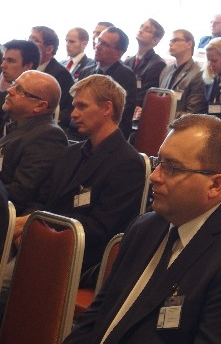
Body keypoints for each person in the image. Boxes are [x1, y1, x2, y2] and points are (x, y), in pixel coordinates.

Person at [64, 115, 221, 344]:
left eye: (171, 168)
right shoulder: (145, 227)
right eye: (158, 162)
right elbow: (96, 318)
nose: (154, 176)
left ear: (215, 185)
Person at [11, 74, 146, 287]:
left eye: (82, 106)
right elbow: (43, 197)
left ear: (107, 108)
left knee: (6, 284)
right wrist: (29, 226)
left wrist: (37, 224)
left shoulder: (127, 163)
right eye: (74, 106)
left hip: (81, 259)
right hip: (44, 243)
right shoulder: (71, 153)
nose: (73, 114)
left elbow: (101, 228)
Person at [0, 70, 68, 216]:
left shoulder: (49, 136)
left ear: (40, 106)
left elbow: (20, 193)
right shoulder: (19, 126)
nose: (10, 90)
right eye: (13, 84)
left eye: (19, 89)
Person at [79, 27, 137, 139]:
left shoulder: (126, 76)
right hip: (79, 129)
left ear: (118, 53)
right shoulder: (86, 71)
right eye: (98, 41)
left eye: (104, 44)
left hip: (106, 136)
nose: (97, 46)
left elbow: (122, 117)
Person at [29, 25, 74, 127]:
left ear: (49, 49)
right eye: (29, 38)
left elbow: (63, 112)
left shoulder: (61, 74)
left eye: (35, 40)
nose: (29, 44)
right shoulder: (25, 66)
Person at [157, 29, 207, 116]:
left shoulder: (198, 74)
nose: (170, 44)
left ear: (189, 44)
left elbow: (192, 114)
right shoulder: (166, 70)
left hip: (180, 127)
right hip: (158, 124)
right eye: (170, 41)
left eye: (175, 40)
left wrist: (162, 113)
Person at [125, 19, 166, 110]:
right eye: (141, 27)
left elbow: (146, 95)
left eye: (147, 30)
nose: (141, 30)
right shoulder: (128, 61)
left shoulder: (157, 64)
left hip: (138, 110)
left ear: (155, 40)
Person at [0, 40, 41, 133]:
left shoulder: (37, 100)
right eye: (4, 59)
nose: (3, 65)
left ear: (28, 66)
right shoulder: (4, 95)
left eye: (10, 61)